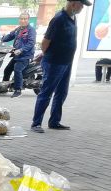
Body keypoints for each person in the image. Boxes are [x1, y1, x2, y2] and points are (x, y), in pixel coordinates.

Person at [30, 0, 91, 133]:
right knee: (46, 92)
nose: (82, 8)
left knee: (62, 93)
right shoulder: (59, 19)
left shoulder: (73, 18)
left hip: (66, 62)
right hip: (54, 63)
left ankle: (54, 122)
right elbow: (45, 42)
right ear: (73, 3)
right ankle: (36, 123)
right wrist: (45, 55)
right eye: (81, 5)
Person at [0, 12, 36, 98]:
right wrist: (2, 39)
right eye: (21, 19)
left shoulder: (31, 30)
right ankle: (3, 88)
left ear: (28, 20)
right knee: (7, 70)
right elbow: (10, 36)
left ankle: (18, 90)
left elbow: (31, 43)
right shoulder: (18, 29)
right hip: (16, 55)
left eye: (25, 19)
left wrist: (21, 50)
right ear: (19, 20)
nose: (23, 20)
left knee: (17, 70)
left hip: (25, 56)